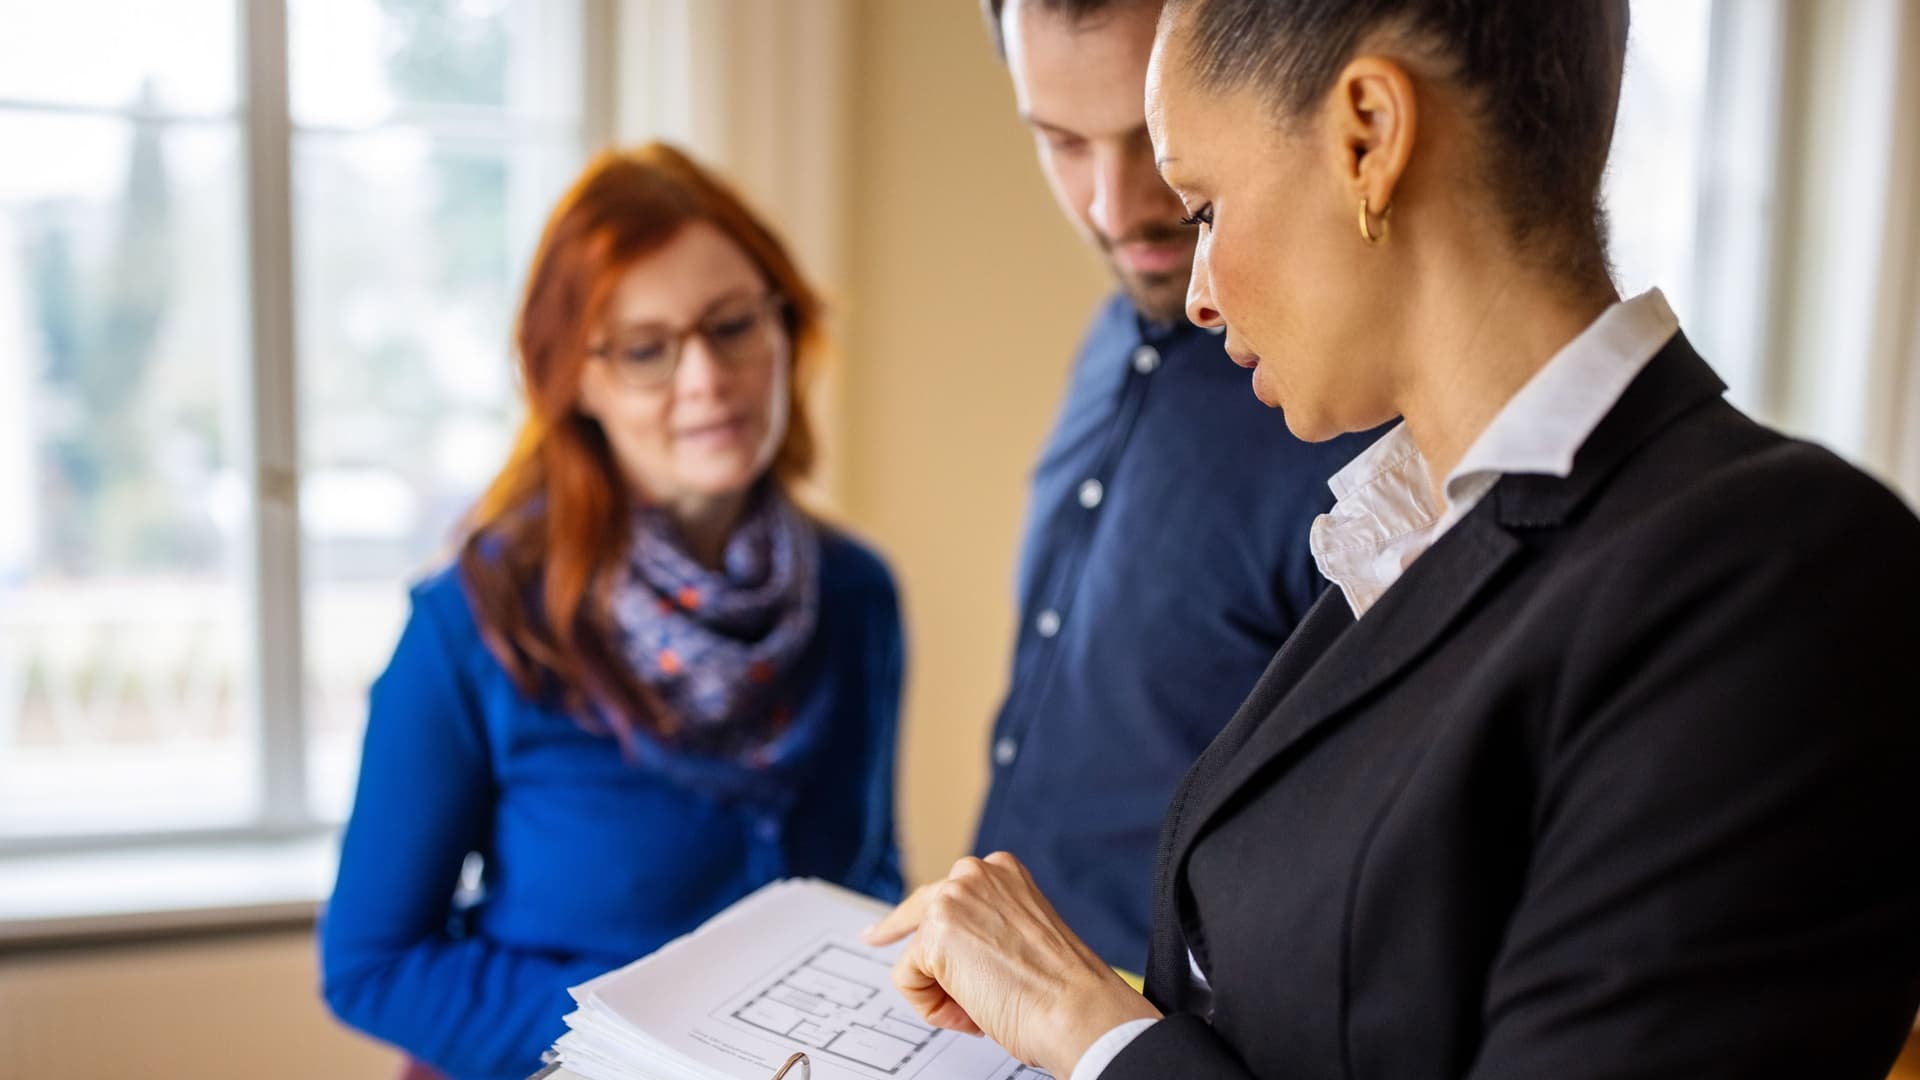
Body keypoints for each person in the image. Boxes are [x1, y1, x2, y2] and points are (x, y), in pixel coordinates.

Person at [866, 1, 1920, 1077]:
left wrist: (1092, 1036)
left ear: (1368, 135)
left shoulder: (1780, 577)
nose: (1199, 295)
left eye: (1206, 209)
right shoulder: (1403, 537)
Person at [320, 143, 905, 1080]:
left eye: (732, 326)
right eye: (645, 350)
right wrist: (659, 1040)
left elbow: (867, 877)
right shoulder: (472, 621)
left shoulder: (855, 594)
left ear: (785, 329)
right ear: (575, 379)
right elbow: (372, 966)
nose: (705, 377)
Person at [970, 0, 1378, 974]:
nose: (1115, 208)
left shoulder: (1349, 420)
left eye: (1152, 135)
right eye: (1063, 143)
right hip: (991, 996)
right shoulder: (1110, 340)